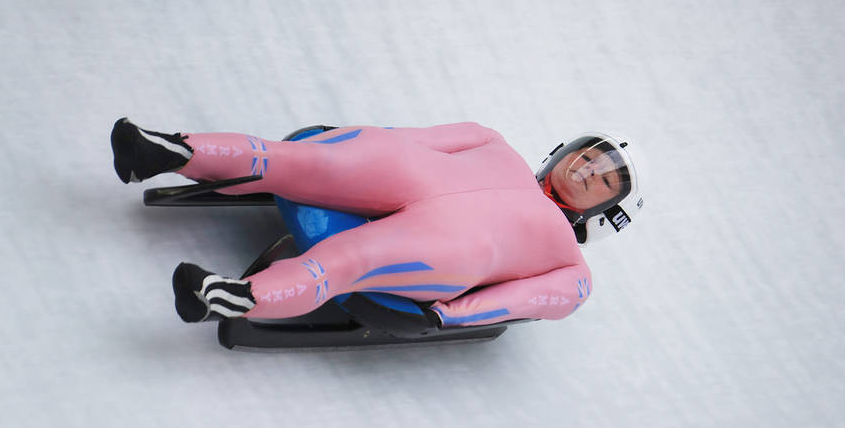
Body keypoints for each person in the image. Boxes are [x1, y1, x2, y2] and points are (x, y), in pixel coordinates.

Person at [111, 118, 642, 328]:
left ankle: (235, 296)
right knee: (301, 161)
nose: (588, 169)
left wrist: (449, 316)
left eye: (602, 179)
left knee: (352, 259)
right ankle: (165, 152)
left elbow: (526, 301)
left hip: (450, 248)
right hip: (411, 173)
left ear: (606, 213)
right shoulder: (491, 140)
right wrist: (351, 140)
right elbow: (411, 137)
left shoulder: (573, 269)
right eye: (589, 157)